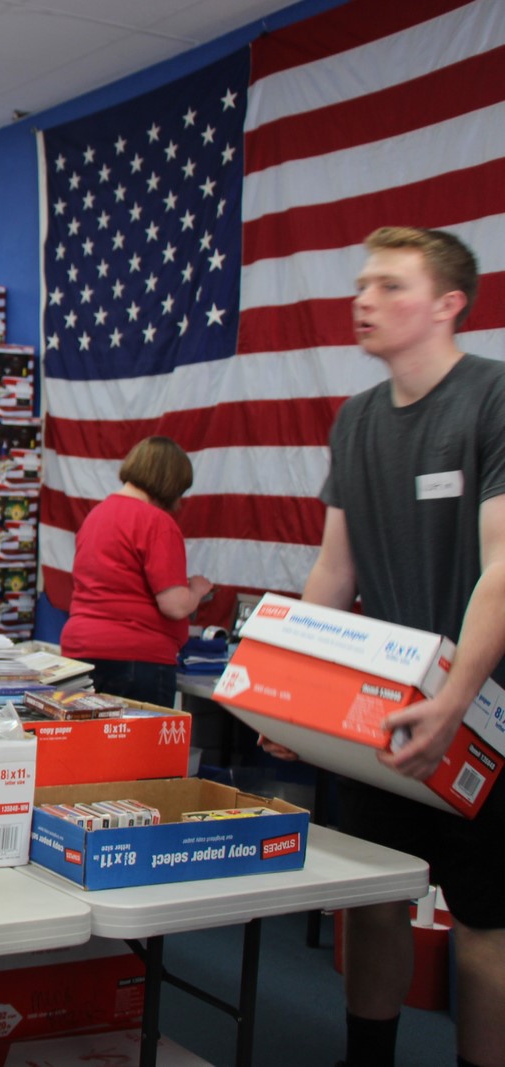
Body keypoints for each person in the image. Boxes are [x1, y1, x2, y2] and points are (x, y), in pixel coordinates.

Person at [263, 227, 505, 1067]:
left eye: (391, 286)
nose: (365, 299)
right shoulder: (355, 419)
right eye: (362, 283)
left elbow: (503, 562)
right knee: (374, 897)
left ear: (448, 305)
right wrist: (283, 689)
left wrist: (458, 696)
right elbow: (335, 568)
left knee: (485, 918)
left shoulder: (493, 398)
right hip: (384, 711)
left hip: (484, 714)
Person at [58, 435, 212, 707]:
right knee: (140, 749)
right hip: (137, 660)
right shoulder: (156, 522)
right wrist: (196, 590)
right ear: (170, 483)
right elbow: (174, 606)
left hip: (81, 651)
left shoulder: (97, 515)